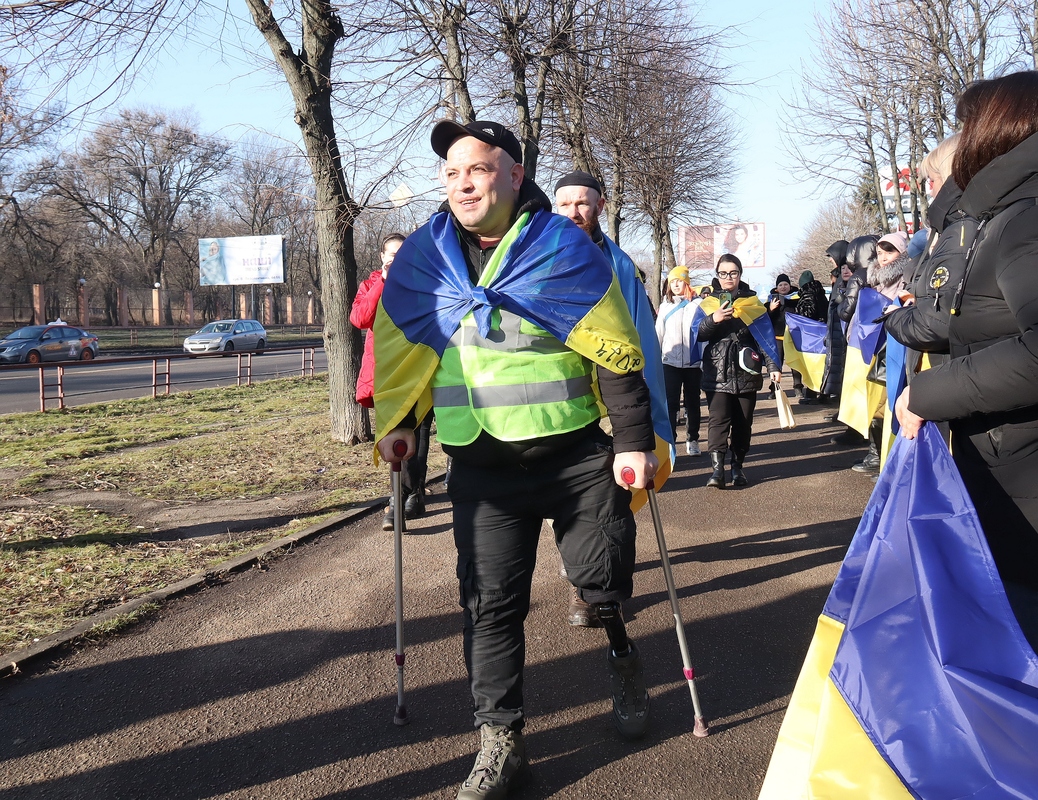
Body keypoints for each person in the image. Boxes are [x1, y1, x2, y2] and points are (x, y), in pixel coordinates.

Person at [374, 120, 659, 799]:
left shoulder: (562, 246)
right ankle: (501, 741)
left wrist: (633, 441)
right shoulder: (425, 258)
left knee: (600, 586)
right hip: (480, 463)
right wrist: (402, 422)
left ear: (512, 173)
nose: (461, 183)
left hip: (575, 457)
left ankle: (620, 651)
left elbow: (612, 348)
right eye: (450, 174)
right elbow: (409, 344)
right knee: (489, 605)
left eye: (474, 169)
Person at [895, 72, 1038, 631]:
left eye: (967, 124)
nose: (961, 137)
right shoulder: (1006, 215)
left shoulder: (1025, 217)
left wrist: (929, 392)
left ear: (999, 129)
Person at [553, 169, 672, 630]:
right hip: (560, 400)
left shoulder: (620, 265)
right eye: (564, 204)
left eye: (582, 203)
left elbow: (641, 341)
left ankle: (590, 591)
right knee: (562, 501)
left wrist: (650, 418)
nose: (573, 212)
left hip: (613, 405)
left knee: (611, 501)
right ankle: (579, 570)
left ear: (600, 204)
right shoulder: (535, 256)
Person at [350, 233, 433, 531]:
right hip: (385, 373)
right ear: (382, 257)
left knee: (418, 433)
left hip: (416, 369)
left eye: (402, 254)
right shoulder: (371, 284)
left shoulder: (420, 283)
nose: (396, 259)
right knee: (392, 434)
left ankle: (406, 497)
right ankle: (404, 497)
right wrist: (384, 282)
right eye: (391, 254)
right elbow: (360, 318)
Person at [697, 254, 782, 488]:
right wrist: (713, 319)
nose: (728, 277)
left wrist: (774, 367)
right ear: (717, 275)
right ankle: (717, 471)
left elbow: (766, 338)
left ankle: (738, 467)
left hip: (747, 370)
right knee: (718, 422)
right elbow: (698, 334)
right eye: (723, 273)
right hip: (717, 371)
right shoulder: (707, 304)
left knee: (743, 423)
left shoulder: (753, 303)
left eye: (733, 273)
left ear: (740, 275)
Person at [655, 266, 704, 456]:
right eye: (672, 281)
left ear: (687, 282)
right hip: (670, 363)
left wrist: (703, 359)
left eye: (679, 281)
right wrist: (654, 359)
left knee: (692, 402)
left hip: (693, 363)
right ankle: (670, 442)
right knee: (671, 403)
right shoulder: (665, 306)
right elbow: (658, 334)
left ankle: (693, 439)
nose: (675, 284)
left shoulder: (698, 305)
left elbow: (703, 334)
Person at [767, 273, 800, 398]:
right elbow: (765, 319)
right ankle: (774, 389)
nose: (783, 287)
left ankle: (798, 387)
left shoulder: (797, 298)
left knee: (795, 363)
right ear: (776, 288)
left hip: (793, 335)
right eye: (780, 285)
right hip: (777, 337)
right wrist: (771, 308)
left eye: (786, 284)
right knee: (776, 364)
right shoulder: (770, 299)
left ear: (790, 286)